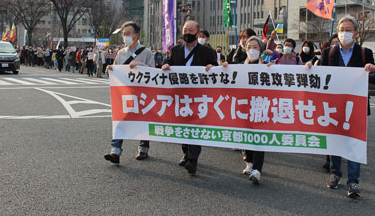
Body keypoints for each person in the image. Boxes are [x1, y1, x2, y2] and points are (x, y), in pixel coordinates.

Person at [306, 15, 375, 199]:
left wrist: (371, 70)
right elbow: (320, 77)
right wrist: (310, 67)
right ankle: (336, 173)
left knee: (354, 142)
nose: (343, 33)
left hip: (356, 107)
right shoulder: (328, 52)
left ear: (355, 33)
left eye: (348, 30)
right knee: (335, 140)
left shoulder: (365, 53)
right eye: (341, 30)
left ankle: (353, 180)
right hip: (333, 106)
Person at [161, 20, 218, 175]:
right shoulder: (176, 49)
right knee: (183, 125)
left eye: (191, 30)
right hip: (180, 95)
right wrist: (165, 66)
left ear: (198, 33)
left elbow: (216, 67)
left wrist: (212, 68)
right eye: (185, 30)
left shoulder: (207, 51)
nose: (187, 33)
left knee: (196, 126)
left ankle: (193, 160)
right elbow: (168, 63)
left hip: (199, 95)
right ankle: (186, 153)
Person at [104, 21, 155, 164]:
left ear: (136, 35)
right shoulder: (121, 53)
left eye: (128, 33)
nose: (125, 36)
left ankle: (143, 147)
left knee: (144, 119)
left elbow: (153, 72)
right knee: (120, 120)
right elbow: (115, 72)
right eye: (123, 34)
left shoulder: (146, 52)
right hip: (125, 93)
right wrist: (110, 69)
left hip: (142, 93)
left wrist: (141, 66)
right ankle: (115, 151)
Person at [222, 36, 267, 184]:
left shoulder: (267, 67)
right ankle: (249, 162)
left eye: (255, 47)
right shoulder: (239, 66)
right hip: (244, 106)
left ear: (261, 50)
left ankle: (257, 170)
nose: (252, 50)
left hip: (261, 106)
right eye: (249, 47)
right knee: (247, 133)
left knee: (260, 136)